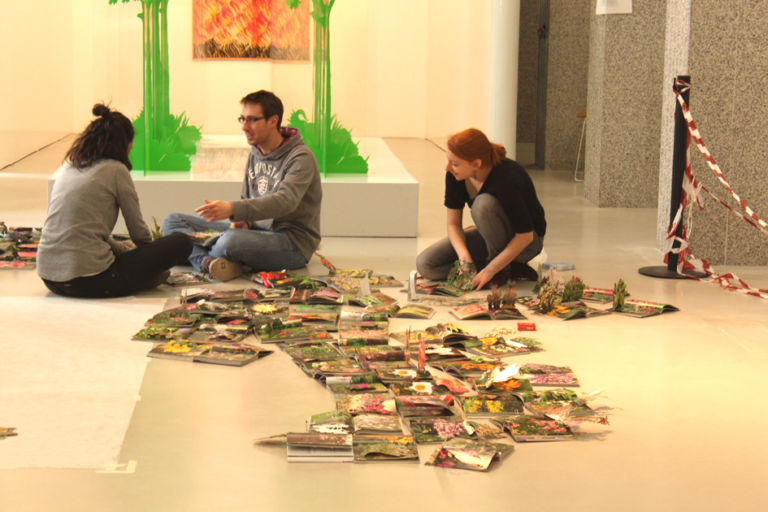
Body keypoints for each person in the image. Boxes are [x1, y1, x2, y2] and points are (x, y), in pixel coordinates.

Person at [162, 90, 322, 281]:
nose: (245, 127)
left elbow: (285, 202)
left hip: (291, 243)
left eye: (253, 120)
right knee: (173, 222)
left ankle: (205, 254)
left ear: (273, 121)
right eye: (242, 119)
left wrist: (232, 209)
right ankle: (209, 264)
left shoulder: (301, 157)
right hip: (253, 235)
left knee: (228, 242)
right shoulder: (255, 153)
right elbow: (249, 199)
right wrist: (244, 221)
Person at [37, 104, 193, 298]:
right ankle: (142, 279)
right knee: (182, 241)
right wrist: (150, 261)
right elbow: (139, 234)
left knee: (124, 256)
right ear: (124, 143)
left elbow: (85, 230)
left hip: (50, 278)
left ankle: (139, 277)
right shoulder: (116, 170)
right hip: (91, 280)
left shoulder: (70, 168)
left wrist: (127, 254)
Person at [416, 128, 546, 290]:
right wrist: (464, 259)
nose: (447, 168)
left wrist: (490, 270)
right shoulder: (455, 175)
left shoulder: (508, 177)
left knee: (482, 204)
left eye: (455, 164)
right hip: (491, 236)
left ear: (476, 164)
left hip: (526, 243)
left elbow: (525, 236)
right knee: (426, 264)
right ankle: (509, 267)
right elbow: (453, 225)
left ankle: (499, 268)